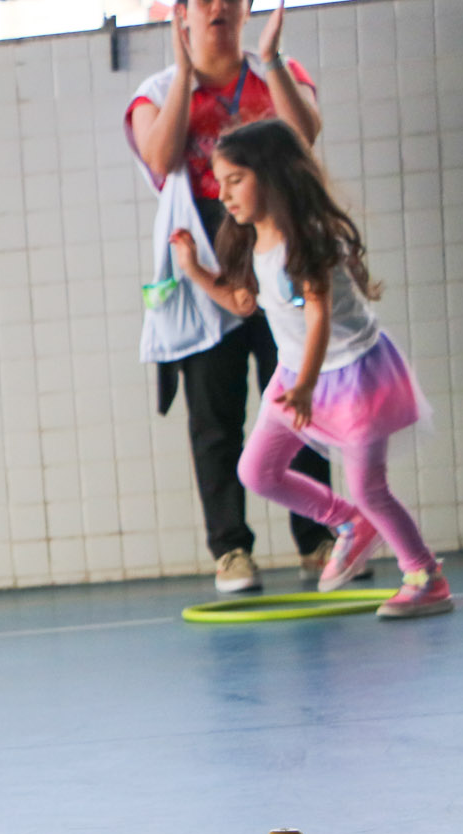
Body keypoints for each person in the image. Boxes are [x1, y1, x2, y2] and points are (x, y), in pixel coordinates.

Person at [171, 119, 447, 618]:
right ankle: (348, 522)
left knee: (370, 487)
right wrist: (195, 270)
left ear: (271, 177)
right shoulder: (251, 239)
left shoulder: (308, 239)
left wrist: (304, 386)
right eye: (220, 182)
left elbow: (318, 315)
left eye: (235, 180)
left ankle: (425, 577)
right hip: (297, 377)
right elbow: (242, 303)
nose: (223, 194)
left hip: (352, 377)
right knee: (256, 471)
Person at [126, 0, 341, 593]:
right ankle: (231, 551)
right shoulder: (154, 93)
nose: (217, 6)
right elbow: (160, 157)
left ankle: (318, 538)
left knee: (298, 403)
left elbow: (306, 137)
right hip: (205, 271)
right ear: (182, 14)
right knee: (215, 421)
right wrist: (184, 74)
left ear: (247, 9)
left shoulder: (279, 72)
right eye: (202, 0)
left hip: (276, 259)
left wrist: (269, 62)